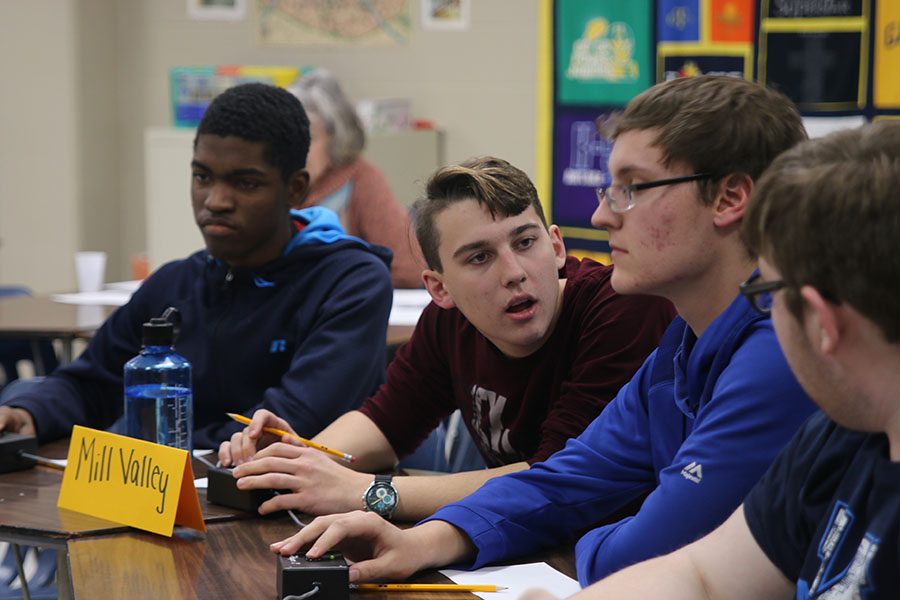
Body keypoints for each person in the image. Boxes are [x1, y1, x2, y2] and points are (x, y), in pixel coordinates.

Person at [266, 75, 819, 587]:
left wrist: (581, 539)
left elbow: (638, 555)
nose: (603, 217)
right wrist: (426, 542)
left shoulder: (784, 350)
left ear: (729, 199)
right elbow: (564, 481)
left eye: (632, 188)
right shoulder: (683, 342)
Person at [525, 121, 900, 600]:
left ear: (824, 324)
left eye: (766, 291)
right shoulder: (835, 438)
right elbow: (700, 575)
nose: (602, 215)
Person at [218, 156, 676, 520]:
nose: (514, 273)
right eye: (479, 258)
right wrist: (302, 456)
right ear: (439, 289)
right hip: (519, 543)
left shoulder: (621, 307)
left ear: (556, 246)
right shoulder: (448, 322)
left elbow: (556, 478)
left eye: (524, 242)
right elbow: (385, 422)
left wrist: (368, 491)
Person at [0, 83, 393, 449]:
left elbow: (287, 425)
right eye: (203, 177)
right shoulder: (176, 282)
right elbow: (91, 382)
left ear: (294, 189)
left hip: (301, 511)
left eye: (245, 183)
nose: (216, 200)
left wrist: (167, 453)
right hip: (175, 500)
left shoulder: (349, 282)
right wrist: (28, 414)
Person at [289, 68, 423, 288]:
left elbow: (409, 270)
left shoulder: (362, 180)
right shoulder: (274, 181)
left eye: (309, 138)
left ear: (335, 139)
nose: (297, 149)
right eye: (290, 137)